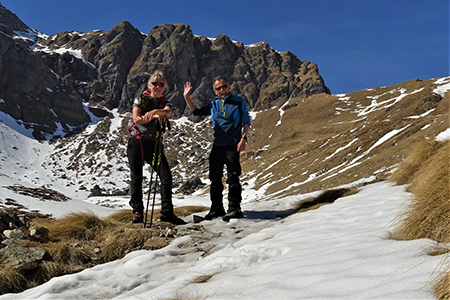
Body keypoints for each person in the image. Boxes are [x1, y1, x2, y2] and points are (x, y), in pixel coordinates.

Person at [183, 76, 251, 221]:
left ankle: (234, 208)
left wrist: (243, 139)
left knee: (233, 177)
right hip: (217, 145)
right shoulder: (213, 104)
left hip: (232, 145)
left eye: (224, 86)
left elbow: (246, 120)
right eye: (218, 88)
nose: (222, 90)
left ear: (229, 87)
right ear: (215, 91)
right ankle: (217, 209)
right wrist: (186, 96)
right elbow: (196, 112)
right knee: (215, 179)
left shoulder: (239, 102)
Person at [127, 71, 185, 225]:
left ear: (164, 87)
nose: (157, 87)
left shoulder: (166, 102)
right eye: (155, 83)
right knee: (136, 177)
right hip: (137, 141)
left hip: (153, 143)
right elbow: (136, 119)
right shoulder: (140, 99)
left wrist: (154, 112)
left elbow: (167, 112)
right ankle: (137, 213)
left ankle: (166, 213)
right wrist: (154, 115)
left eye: (161, 84)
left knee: (165, 175)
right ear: (149, 85)